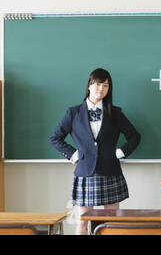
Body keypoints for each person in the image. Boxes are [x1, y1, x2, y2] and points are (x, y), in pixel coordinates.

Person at [49, 68, 141, 234]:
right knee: (82, 223)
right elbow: (55, 138)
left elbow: (134, 136)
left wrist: (120, 152)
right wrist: (74, 155)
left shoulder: (115, 113)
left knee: (111, 223)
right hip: (85, 172)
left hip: (110, 171)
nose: (101, 88)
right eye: (98, 84)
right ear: (89, 85)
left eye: (105, 85)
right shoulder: (73, 112)